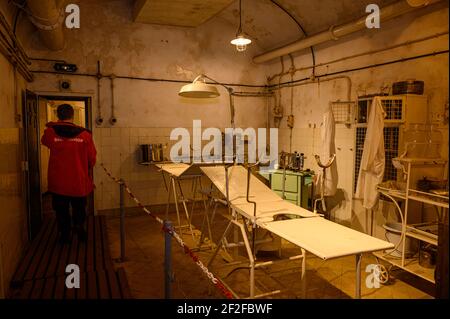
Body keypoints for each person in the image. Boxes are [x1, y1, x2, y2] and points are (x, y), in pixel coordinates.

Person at [41, 104, 97, 244]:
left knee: (61, 210)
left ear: (58, 115)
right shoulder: (85, 135)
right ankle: (79, 226)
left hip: (58, 181)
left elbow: (45, 142)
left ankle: (64, 235)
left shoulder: (50, 132)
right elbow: (92, 159)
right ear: (72, 115)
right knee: (79, 207)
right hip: (78, 180)